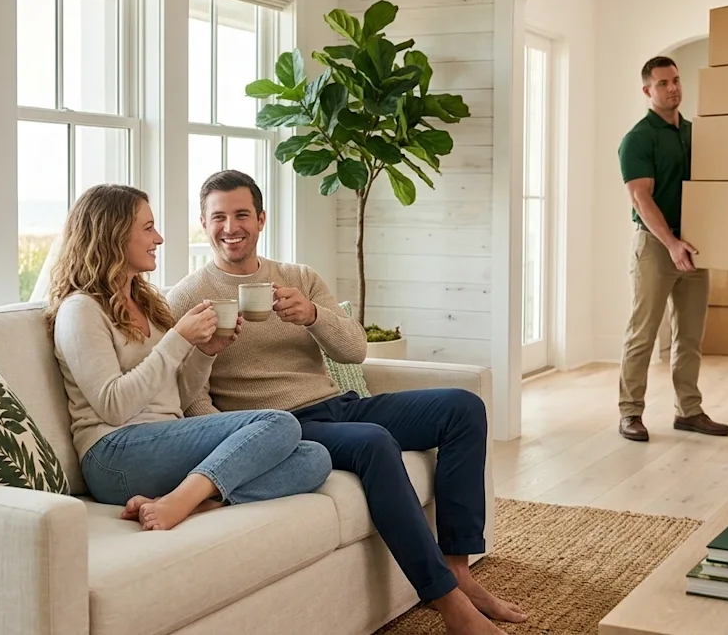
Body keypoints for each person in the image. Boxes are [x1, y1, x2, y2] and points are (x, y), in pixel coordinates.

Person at [166, 170, 525, 635]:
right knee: (374, 442)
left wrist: (313, 317)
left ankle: (457, 567)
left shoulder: (299, 278)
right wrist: (234, 449)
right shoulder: (187, 297)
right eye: (218, 217)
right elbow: (189, 392)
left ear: (261, 219)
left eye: (241, 215)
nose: (230, 227)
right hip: (277, 429)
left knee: (463, 408)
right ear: (203, 222)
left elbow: (353, 349)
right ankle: (444, 598)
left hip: (339, 405)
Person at [45, 183, 332, 531]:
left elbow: (178, 399)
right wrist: (179, 339)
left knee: (314, 457)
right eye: (148, 228)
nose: (159, 238)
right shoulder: (81, 310)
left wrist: (205, 354)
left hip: (165, 441)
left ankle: (194, 502)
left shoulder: (145, 303)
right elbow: (113, 406)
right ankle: (182, 501)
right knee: (279, 423)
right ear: (113, 235)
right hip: (113, 457)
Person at [615, 56, 728, 442]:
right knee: (643, 333)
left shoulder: (695, 133)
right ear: (647, 90)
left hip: (695, 245)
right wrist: (672, 244)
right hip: (654, 245)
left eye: (677, 81)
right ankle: (630, 412)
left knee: (691, 334)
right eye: (663, 83)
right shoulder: (638, 138)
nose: (673, 88)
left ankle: (689, 410)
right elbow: (640, 198)